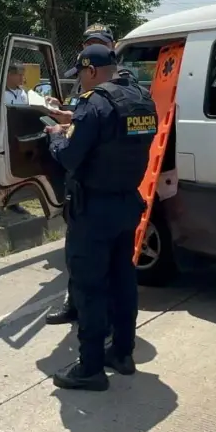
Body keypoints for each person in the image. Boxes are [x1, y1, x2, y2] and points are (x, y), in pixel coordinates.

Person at [44, 43, 157, 391]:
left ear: (90, 70)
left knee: (90, 287)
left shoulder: (95, 102)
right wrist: (74, 120)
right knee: (123, 281)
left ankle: (90, 367)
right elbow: (112, 139)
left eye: (80, 74)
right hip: (127, 205)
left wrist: (58, 136)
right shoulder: (141, 99)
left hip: (93, 211)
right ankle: (122, 353)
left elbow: (71, 157)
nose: (80, 81)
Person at [45, 23, 133, 326]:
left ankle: (91, 356)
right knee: (89, 264)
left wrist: (58, 134)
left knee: (94, 270)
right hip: (112, 193)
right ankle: (90, 317)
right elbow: (97, 119)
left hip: (98, 192)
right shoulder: (127, 91)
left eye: (96, 43)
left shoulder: (120, 82)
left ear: (111, 47)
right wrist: (70, 115)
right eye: (86, 43)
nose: (88, 48)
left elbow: (92, 127)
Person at [0, 64, 35, 221]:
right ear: (8, 75)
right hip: (1, 140)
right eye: (19, 75)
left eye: (23, 75)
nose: (22, 78)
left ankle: (14, 202)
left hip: (18, 141)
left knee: (16, 172)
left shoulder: (23, 93)